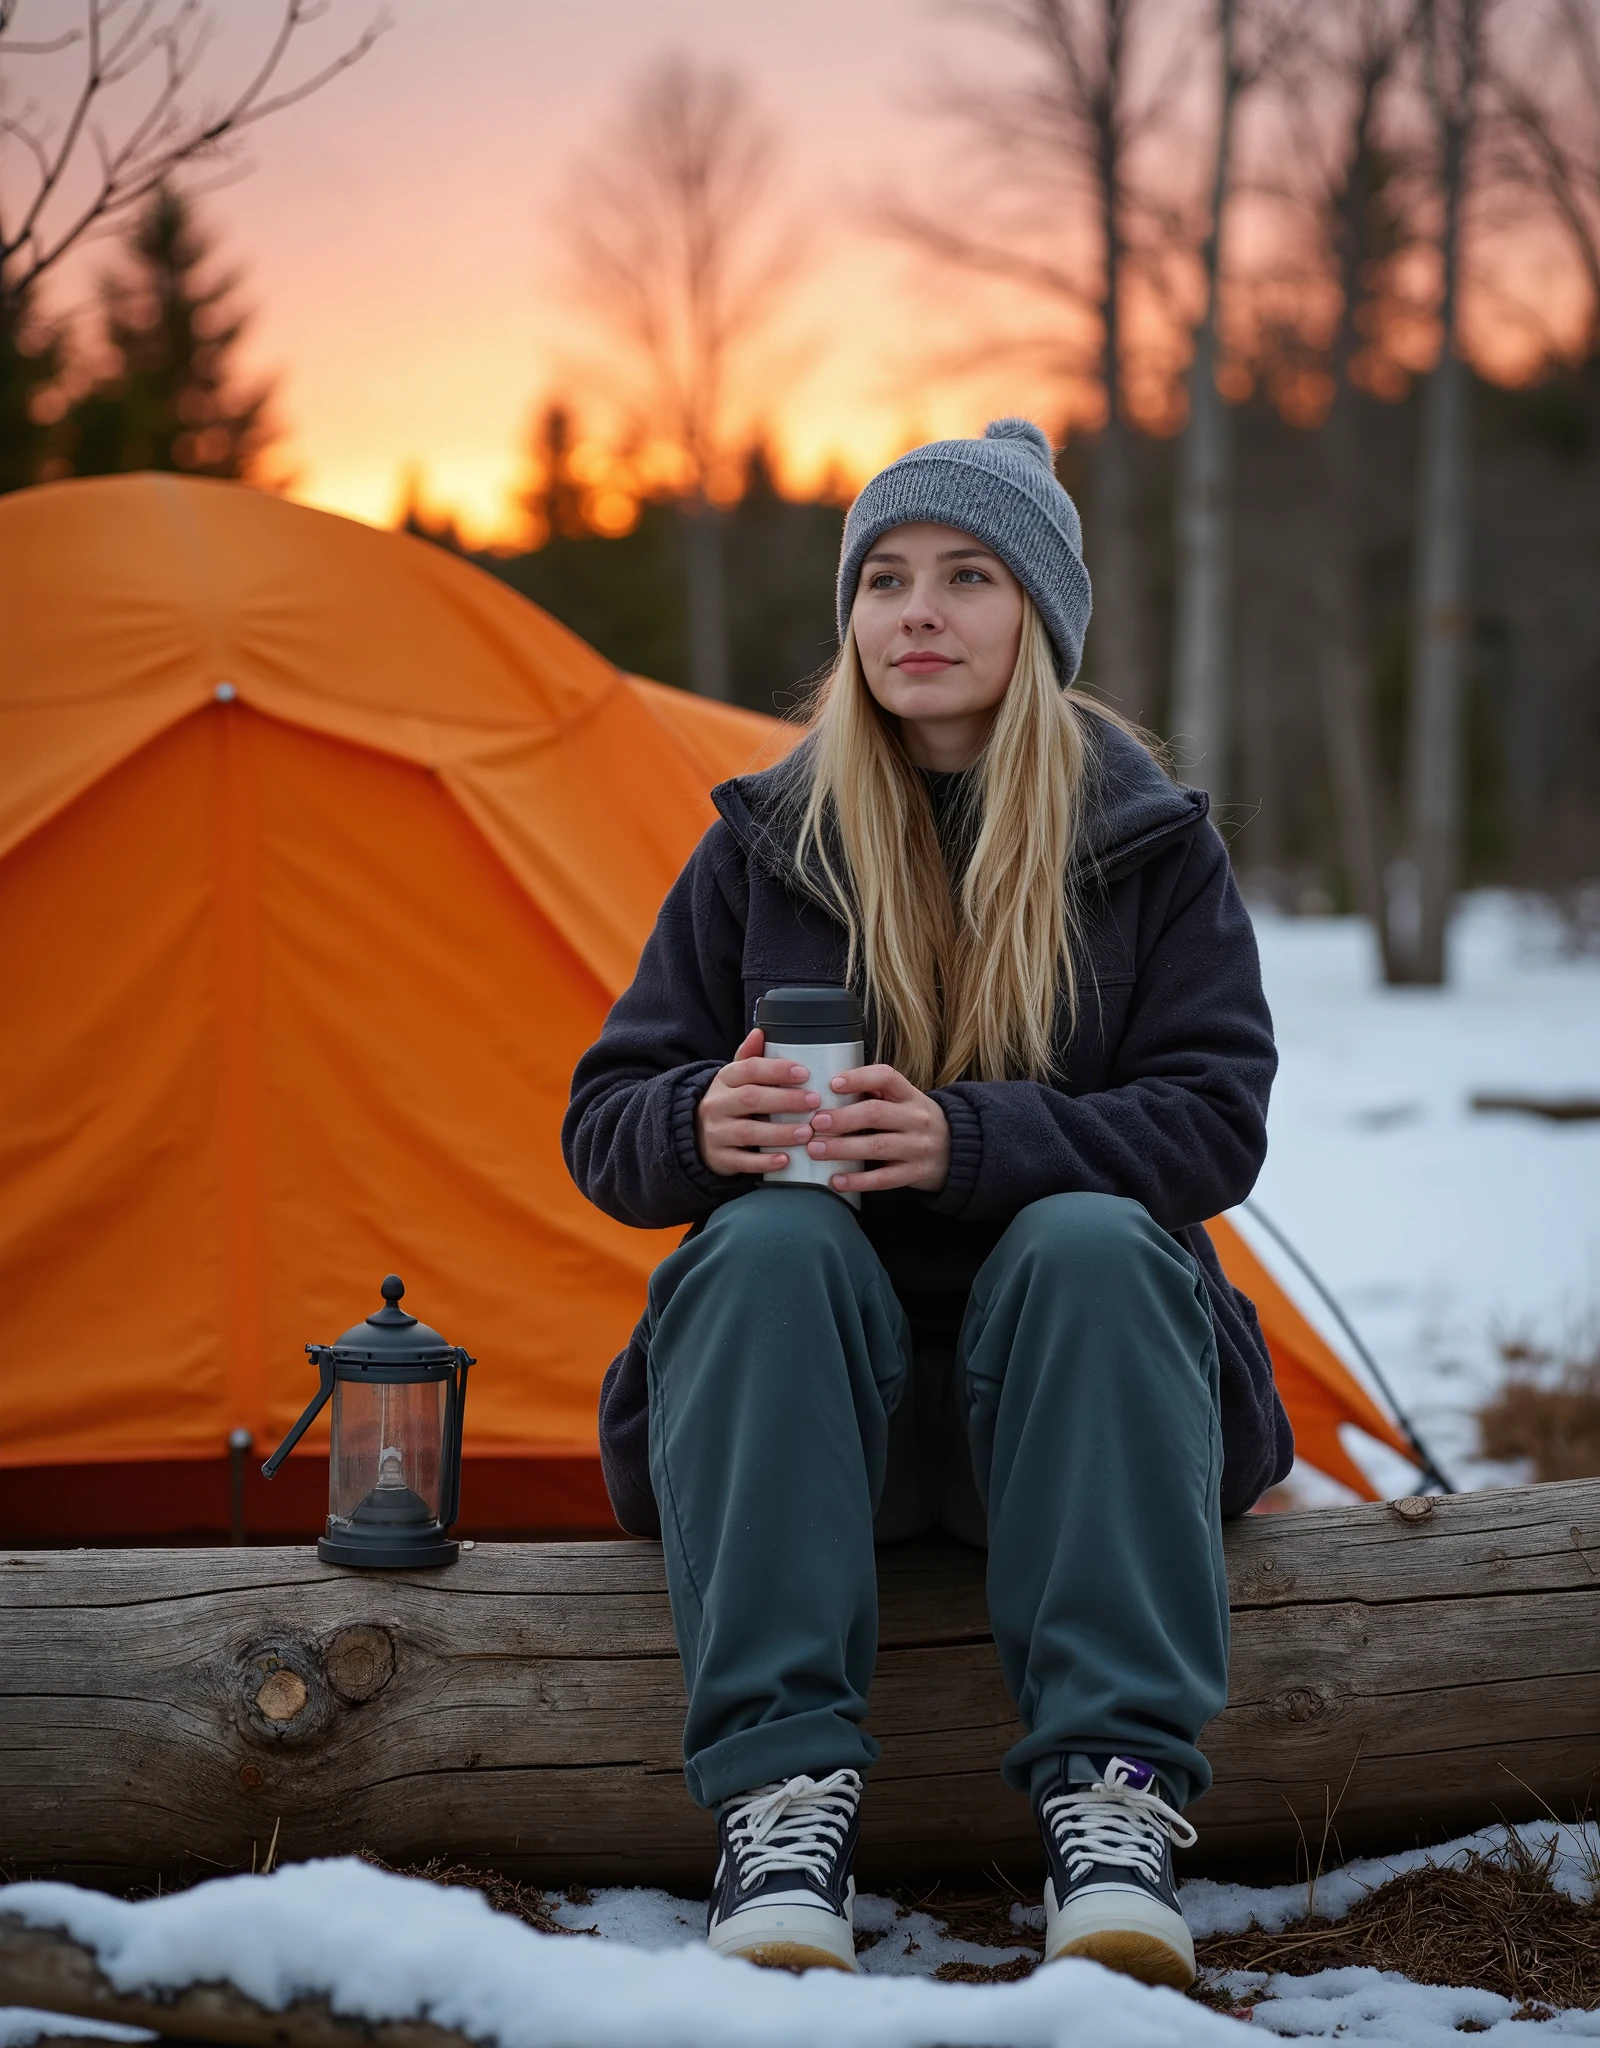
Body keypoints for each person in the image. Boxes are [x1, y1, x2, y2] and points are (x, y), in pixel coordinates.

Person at [563, 418, 1291, 1991]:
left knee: (1093, 1236)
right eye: (885, 578)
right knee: (767, 1240)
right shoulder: (766, 842)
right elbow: (602, 1132)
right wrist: (702, 1119)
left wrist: (968, 1144)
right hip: (817, 1425)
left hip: (1086, 1415)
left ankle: (1117, 1807)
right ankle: (777, 1811)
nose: (918, 611)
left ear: (1036, 614)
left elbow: (1214, 1125)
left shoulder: (1148, 846)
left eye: (968, 575)